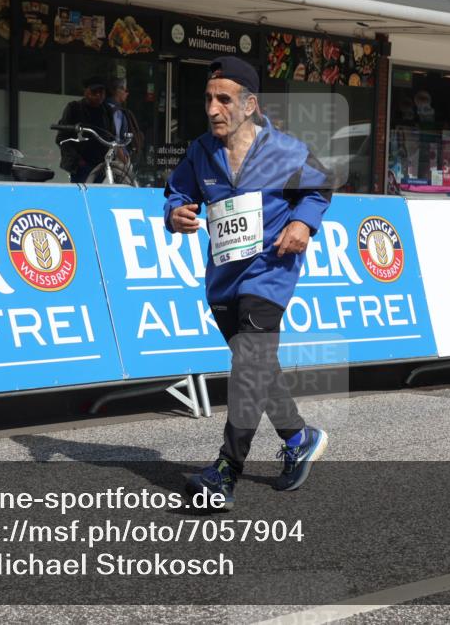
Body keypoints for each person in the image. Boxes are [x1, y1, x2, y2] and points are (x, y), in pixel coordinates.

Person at [163, 56, 334, 510]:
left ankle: (224, 471)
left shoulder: (286, 151)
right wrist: (175, 212)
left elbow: (319, 189)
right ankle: (298, 437)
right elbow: (179, 191)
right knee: (256, 367)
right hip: (223, 279)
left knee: (248, 369)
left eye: (224, 99)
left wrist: (303, 223)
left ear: (250, 104)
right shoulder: (202, 151)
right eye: (208, 99)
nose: (213, 108)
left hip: (269, 273)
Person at [55, 76, 117, 183]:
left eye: (101, 92)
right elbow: (62, 138)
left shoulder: (107, 110)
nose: (98, 95)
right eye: (94, 92)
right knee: (81, 194)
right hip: (81, 165)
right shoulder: (74, 108)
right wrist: (78, 161)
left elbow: (112, 136)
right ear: (86, 92)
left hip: (102, 164)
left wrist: (112, 155)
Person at [105, 77, 143, 165]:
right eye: (126, 90)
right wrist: (124, 159)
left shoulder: (106, 108)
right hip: (117, 159)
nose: (127, 93)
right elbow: (115, 139)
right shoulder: (116, 112)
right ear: (118, 91)